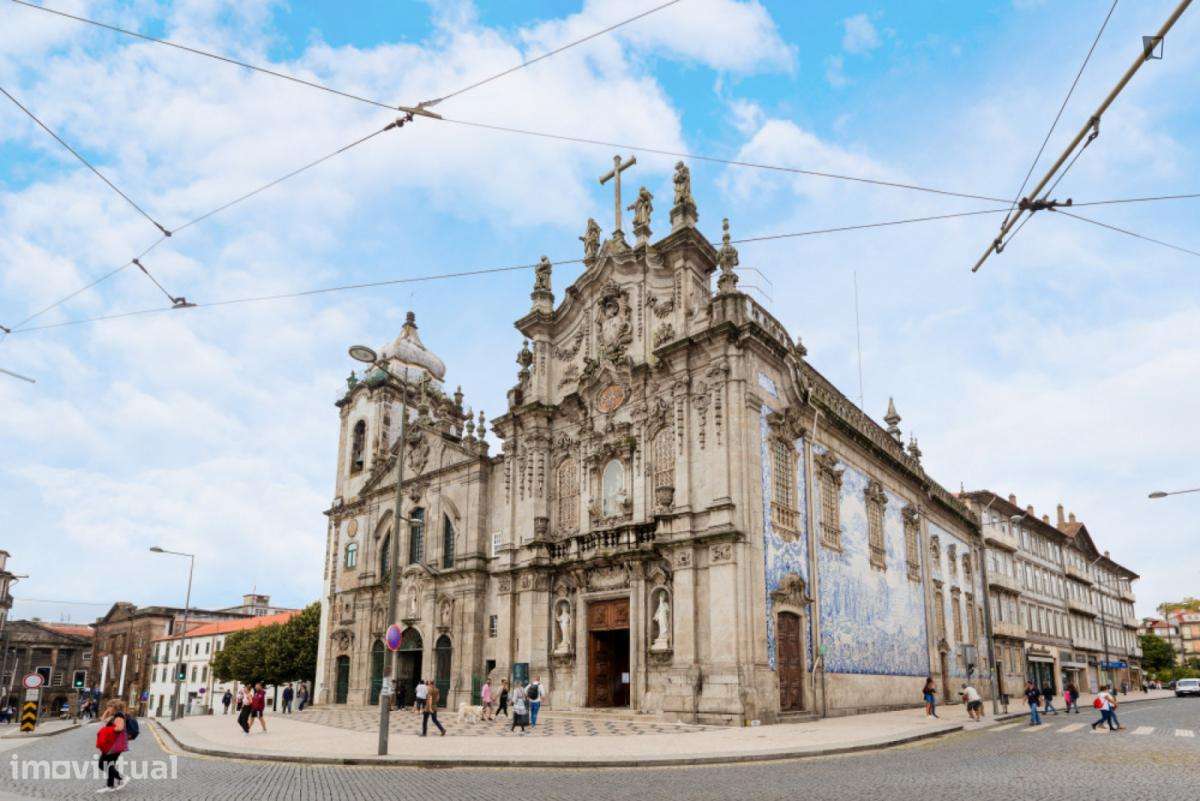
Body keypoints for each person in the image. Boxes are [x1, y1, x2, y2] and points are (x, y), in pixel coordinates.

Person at [95, 701, 130, 793]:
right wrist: (107, 711)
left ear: (114, 707)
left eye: (109, 707)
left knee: (103, 764)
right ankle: (110, 785)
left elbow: (120, 727)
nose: (108, 708)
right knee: (108, 764)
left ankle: (121, 777)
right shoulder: (114, 715)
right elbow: (103, 720)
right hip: (111, 744)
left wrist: (107, 730)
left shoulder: (119, 715)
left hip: (114, 745)